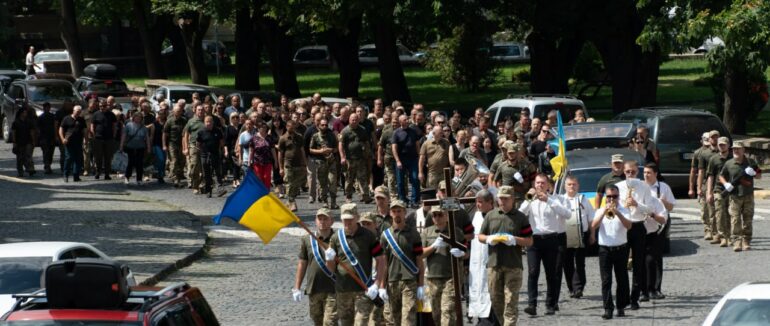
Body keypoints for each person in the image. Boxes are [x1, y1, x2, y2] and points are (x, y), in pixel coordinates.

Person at [477, 185, 534, 325]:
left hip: (513, 265)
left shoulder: (520, 218)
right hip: (494, 265)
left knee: (511, 302)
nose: (502, 201)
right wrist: (489, 239)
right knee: (496, 302)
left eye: (506, 199)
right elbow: (480, 236)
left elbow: (529, 241)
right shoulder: (491, 215)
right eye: (500, 198)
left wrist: (514, 240)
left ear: (513, 199)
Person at [325, 203, 387, 326]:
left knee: (361, 323)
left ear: (357, 218)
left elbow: (381, 260)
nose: (347, 222)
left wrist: (377, 284)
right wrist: (329, 259)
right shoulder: (336, 238)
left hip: (363, 290)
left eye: (350, 219)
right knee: (346, 323)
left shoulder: (368, 236)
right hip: (343, 290)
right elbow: (330, 270)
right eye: (344, 220)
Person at [519, 174, 571, 316]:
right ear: (534, 185)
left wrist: (548, 200)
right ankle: (532, 304)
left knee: (551, 274)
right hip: (534, 240)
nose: (540, 185)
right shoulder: (531, 201)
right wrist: (528, 199)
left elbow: (567, 214)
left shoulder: (555, 199)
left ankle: (551, 304)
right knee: (532, 272)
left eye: (543, 183)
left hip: (551, 239)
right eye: (537, 183)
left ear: (548, 185)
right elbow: (519, 214)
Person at [615, 160, 655, 309]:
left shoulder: (644, 187)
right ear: (623, 172)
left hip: (638, 226)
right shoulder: (618, 187)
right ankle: (623, 297)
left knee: (638, 263)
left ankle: (634, 298)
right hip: (623, 226)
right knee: (621, 264)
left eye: (633, 172)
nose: (630, 174)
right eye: (627, 172)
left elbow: (650, 209)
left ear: (637, 171)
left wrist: (637, 204)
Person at [379, 199, 425, 326]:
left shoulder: (414, 234)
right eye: (394, 211)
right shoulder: (385, 236)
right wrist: (382, 286)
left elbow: (419, 260)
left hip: (409, 281)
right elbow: (384, 263)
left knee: (408, 319)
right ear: (390, 213)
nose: (396, 214)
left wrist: (421, 284)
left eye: (399, 211)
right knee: (394, 320)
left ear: (405, 212)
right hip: (392, 282)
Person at [590, 184, 632, 319]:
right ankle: (608, 309)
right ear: (605, 197)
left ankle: (621, 307)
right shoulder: (600, 210)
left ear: (619, 197)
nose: (612, 199)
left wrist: (618, 212)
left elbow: (629, 226)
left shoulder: (625, 210)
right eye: (609, 196)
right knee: (606, 280)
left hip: (621, 248)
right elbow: (594, 226)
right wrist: (604, 212)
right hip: (605, 250)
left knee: (622, 279)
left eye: (614, 196)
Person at [421, 206, 467, 325]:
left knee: (447, 310)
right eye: (434, 215)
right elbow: (420, 254)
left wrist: (461, 253)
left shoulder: (456, 232)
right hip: (432, 277)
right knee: (436, 314)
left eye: (440, 214)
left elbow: (467, 252)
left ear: (447, 216)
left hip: (451, 277)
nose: (437, 217)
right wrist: (433, 246)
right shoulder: (427, 231)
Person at [293, 208, 338, 326]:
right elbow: (302, 263)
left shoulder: (338, 239)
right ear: (316, 221)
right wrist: (297, 287)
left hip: (334, 288)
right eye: (320, 219)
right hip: (314, 288)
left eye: (325, 219)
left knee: (330, 322)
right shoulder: (307, 240)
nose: (322, 221)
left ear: (332, 221)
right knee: (317, 321)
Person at [719, 141, 762, 252]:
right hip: (734, 196)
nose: (736, 151)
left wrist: (754, 173)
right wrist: (725, 184)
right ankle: (737, 241)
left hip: (748, 195)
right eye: (734, 149)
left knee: (748, 219)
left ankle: (746, 240)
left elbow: (759, 175)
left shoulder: (751, 162)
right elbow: (721, 176)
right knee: (735, 219)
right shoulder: (729, 163)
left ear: (743, 150)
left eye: (738, 149)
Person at [642, 163, 674, 300]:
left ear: (655, 173)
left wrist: (663, 202)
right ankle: (644, 289)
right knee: (643, 257)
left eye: (649, 172)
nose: (646, 175)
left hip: (660, 224)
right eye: (644, 172)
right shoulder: (640, 187)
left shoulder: (663, 187)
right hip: (643, 225)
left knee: (656, 257)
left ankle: (655, 289)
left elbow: (671, 207)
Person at [560, 175, 595, 299]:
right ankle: (571, 287)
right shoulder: (560, 200)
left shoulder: (583, 199)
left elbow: (591, 219)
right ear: (564, 186)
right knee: (567, 262)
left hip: (581, 233)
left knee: (580, 262)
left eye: (574, 184)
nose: (572, 187)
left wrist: (592, 234)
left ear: (578, 186)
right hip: (565, 235)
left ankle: (579, 287)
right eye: (569, 184)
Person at [467, 190, 496, 324]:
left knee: (490, 290)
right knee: (477, 287)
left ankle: (490, 320)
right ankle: (479, 316)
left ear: (490, 202)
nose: (478, 205)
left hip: (491, 260)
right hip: (476, 261)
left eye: (481, 202)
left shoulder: (496, 216)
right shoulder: (476, 216)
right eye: (477, 202)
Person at [340, 113, 373, 204]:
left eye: (356, 120)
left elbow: (366, 142)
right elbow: (341, 145)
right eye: (352, 120)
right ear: (349, 120)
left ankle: (365, 196)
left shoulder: (362, 130)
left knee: (362, 177)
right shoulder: (344, 131)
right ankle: (348, 196)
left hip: (361, 158)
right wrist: (342, 157)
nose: (354, 121)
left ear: (358, 120)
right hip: (349, 159)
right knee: (349, 179)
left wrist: (368, 152)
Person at [706, 137, 733, 247]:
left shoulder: (733, 158)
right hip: (719, 189)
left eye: (723, 144)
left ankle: (730, 236)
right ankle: (722, 237)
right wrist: (709, 192)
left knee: (731, 214)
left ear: (728, 145)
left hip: (732, 190)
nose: (721, 146)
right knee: (720, 213)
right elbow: (710, 176)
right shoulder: (714, 159)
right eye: (720, 144)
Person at [391, 114, 421, 207]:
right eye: (405, 119)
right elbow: (394, 148)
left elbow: (417, 145)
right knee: (400, 181)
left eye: (407, 119)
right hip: (401, 159)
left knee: (415, 179)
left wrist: (419, 156)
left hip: (413, 159)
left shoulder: (413, 131)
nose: (407, 120)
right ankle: (402, 199)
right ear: (400, 122)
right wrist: (398, 161)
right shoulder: (396, 133)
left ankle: (414, 200)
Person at [309, 118, 339, 209]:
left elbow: (337, 148)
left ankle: (333, 202)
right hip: (320, 162)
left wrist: (331, 150)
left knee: (332, 181)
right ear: (318, 126)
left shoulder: (332, 135)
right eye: (322, 125)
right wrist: (320, 151)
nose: (324, 126)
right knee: (322, 183)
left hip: (331, 162)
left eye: (326, 125)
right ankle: (325, 201)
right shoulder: (315, 136)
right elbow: (310, 149)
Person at [278, 119, 307, 211]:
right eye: (290, 126)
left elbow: (302, 150)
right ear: (287, 127)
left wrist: (305, 162)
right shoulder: (283, 138)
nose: (292, 128)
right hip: (288, 164)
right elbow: (280, 153)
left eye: (294, 126)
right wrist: (281, 168)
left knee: (296, 184)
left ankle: (289, 201)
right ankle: (292, 201)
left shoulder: (299, 137)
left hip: (298, 164)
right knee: (289, 183)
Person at [196, 116, 228, 198]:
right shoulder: (201, 132)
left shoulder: (217, 131)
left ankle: (220, 189)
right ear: (204, 122)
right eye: (207, 122)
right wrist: (202, 151)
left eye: (210, 122)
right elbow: (198, 144)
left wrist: (222, 151)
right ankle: (208, 190)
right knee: (207, 173)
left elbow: (222, 142)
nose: (208, 123)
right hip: (204, 154)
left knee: (217, 172)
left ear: (213, 122)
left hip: (215, 154)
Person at [698, 130, 720, 241]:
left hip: (720, 184)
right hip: (707, 184)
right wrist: (698, 187)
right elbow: (701, 172)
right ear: (709, 139)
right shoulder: (704, 154)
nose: (715, 139)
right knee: (708, 210)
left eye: (717, 137)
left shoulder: (723, 152)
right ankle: (709, 230)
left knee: (719, 210)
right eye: (713, 137)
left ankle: (718, 232)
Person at [120, 112, 151, 185]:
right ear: (133, 117)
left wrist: (149, 147)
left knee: (139, 163)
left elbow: (147, 138)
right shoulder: (128, 125)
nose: (138, 118)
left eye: (140, 117)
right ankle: (127, 177)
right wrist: (121, 146)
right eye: (137, 117)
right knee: (131, 162)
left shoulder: (144, 127)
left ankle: (139, 179)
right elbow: (124, 136)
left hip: (140, 147)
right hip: (130, 147)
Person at [90, 100, 117, 180]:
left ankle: (107, 174)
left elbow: (114, 126)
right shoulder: (95, 114)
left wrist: (114, 135)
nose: (102, 107)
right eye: (101, 106)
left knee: (108, 157)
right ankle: (98, 172)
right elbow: (92, 125)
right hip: (98, 138)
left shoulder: (111, 115)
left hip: (109, 139)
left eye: (104, 106)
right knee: (98, 157)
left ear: (107, 106)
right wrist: (94, 134)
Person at [59, 105, 87, 182]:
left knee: (78, 159)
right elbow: (61, 129)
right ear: (73, 110)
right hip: (69, 142)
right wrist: (63, 139)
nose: (78, 113)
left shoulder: (81, 119)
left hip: (78, 142)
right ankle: (65, 175)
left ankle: (76, 176)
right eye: (77, 111)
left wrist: (86, 140)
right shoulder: (66, 118)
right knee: (69, 158)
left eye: (79, 112)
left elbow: (84, 130)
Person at [419, 125, 451, 191]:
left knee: (444, 192)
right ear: (433, 133)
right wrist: (420, 172)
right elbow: (421, 159)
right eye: (440, 133)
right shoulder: (426, 144)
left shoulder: (446, 142)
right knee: (432, 193)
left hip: (444, 173)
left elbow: (450, 155)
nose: (442, 134)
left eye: (442, 132)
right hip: (432, 173)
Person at [183, 105, 206, 193]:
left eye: (202, 110)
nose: (200, 111)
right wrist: (185, 147)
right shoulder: (191, 121)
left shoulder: (207, 120)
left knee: (204, 166)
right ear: (195, 111)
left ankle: (202, 185)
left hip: (204, 147)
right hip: (193, 146)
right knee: (195, 166)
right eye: (199, 110)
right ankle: (195, 185)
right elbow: (186, 135)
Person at [163, 105, 188, 187]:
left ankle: (179, 176)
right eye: (177, 111)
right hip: (172, 143)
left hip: (181, 143)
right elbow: (165, 134)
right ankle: (175, 179)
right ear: (173, 112)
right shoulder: (169, 121)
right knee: (174, 161)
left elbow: (187, 132)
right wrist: (164, 145)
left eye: (180, 111)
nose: (178, 113)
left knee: (182, 161)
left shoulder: (184, 120)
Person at [379, 111, 400, 200]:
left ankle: (402, 193)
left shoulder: (402, 131)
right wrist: (379, 158)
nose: (395, 124)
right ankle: (393, 195)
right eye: (393, 122)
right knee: (391, 177)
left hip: (400, 157)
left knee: (401, 177)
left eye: (397, 122)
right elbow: (380, 145)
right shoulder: (387, 132)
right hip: (389, 157)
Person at [249, 123, 276, 189]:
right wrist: (249, 161)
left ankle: (266, 191)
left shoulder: (269, 137)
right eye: (261, 127)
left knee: (267, 177)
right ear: (258, 128)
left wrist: (276, 161)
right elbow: (251, 150)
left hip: (268, 160)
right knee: (259, 177)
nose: (263, 129)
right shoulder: (254, 138)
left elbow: (273, 150)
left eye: (264, 127)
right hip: (257, 161)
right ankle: (259, 192)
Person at [12, 108, 36, 177]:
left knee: (28, 156)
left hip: (28, 141)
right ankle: (20, 172)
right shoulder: (16, 122)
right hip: (19, 142)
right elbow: (14, 133)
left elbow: (32, 132)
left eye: (26, 112)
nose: (26, 114)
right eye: (24, 112)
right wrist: (14, 142)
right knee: (20, 158)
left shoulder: (29, 122)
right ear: (21, 113)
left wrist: (33, 141)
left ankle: (30, 169)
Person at [37, 102, 56, 174]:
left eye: (48, 107)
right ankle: (47, 166)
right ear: (44, 108)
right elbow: (38, 128)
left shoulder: (52, 116)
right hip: (44, 138)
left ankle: (48, 165)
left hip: (51, 137)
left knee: (51, 153)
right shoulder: (40, 117)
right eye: (46, 107)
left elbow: (55, 126)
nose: (47, 109)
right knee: (45, 152)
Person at [149, 109, 167, 184]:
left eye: (163, 114)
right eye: (160, 114)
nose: (161, 115)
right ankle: (160, 175)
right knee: (161, 160)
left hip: (165, 144)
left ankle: (161, 175)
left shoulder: (166, 123)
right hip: (156, 144)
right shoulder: (155, 124)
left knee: (164, 161)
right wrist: (150, 145)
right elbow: (152, 136)